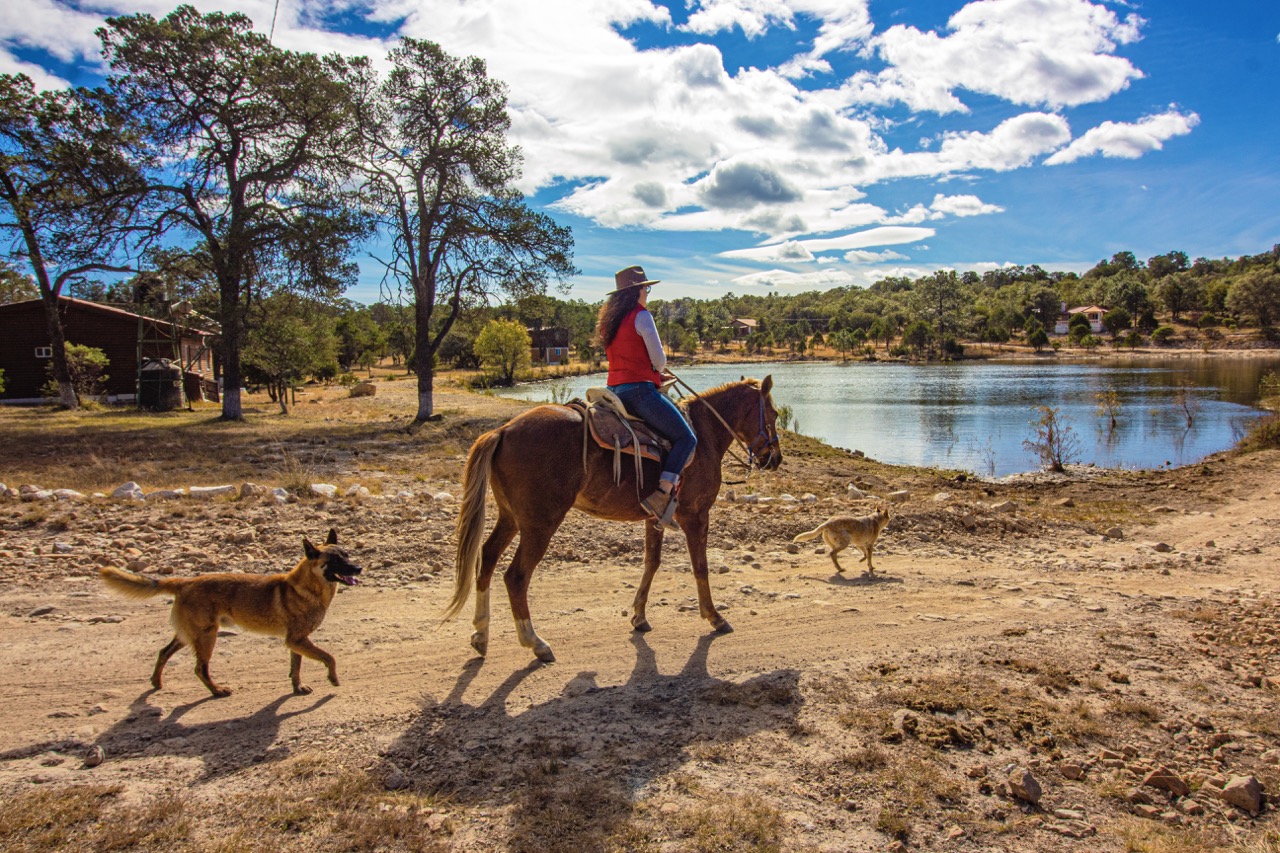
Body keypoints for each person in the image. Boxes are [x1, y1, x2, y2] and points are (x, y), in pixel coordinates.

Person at [596, 265, 697, 531]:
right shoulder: (641, 317)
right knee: (687, 438)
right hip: (640, 392)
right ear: (637, 291)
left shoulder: (610, 322)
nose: (647, 293)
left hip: (614, 391)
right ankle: (662, 494)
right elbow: (659, 360)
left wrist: (648, 371)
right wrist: (657, 372)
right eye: (646, 288)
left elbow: (628, 358)